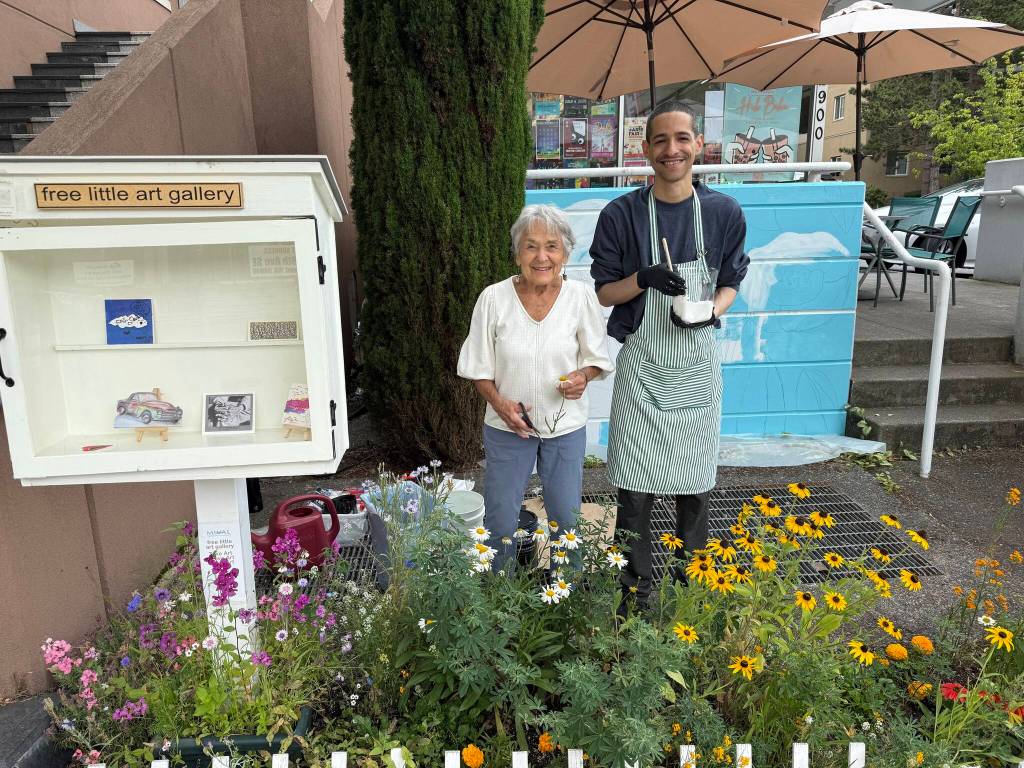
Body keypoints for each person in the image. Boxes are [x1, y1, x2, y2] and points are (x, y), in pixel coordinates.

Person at [589, 100, 749, 608]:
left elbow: (731, 281)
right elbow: (604, 293)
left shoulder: (723, 213)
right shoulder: (621, 215)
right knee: (634, 494)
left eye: (682, 138)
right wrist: (643, 278)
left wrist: (709, 311)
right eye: (660, 140)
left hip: (696, 366)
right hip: (643, 370)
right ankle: (634, 596)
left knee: (695, 491)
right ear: (646, 149)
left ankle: (689, 594)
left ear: (698, 144)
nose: (671, 149)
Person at [458, 204, 614, 572]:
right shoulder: (493, 298)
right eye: (531, 246)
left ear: (565, 254)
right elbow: (477, 367)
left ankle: (566, 593)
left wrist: (583, 376)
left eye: (551, 246)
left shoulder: (580, 297)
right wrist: (501, 404)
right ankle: (499, 594)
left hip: (565, 428)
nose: (541, 257)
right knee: (499, 520)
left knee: (566, 519)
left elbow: (597, 358)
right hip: (507, 427)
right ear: (517, 253)